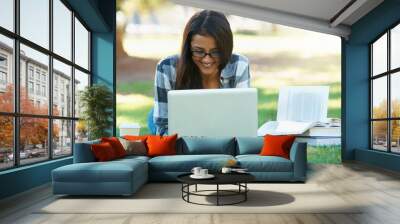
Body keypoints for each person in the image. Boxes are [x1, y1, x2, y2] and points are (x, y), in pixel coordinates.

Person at [152, 10, 250, 135]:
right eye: (198, 51)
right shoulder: (166, 67)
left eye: (216, 52)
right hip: (177, 130)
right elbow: (162, 128)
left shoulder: (239, 65)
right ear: (188, 49)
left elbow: (243, 123)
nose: (207, 59)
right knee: (153, 119)